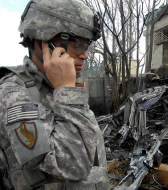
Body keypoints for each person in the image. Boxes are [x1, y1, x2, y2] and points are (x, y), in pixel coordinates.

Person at [0, 0, 109, 189]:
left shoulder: (56, 86)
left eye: (87, 46)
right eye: (77, 45)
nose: (85, 55)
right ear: (42, 42)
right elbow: (74, 167)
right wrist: (67, 91)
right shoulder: (13, 92)